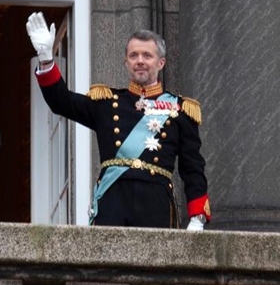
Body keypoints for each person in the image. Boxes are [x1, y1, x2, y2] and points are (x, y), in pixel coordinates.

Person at [26, 12, 210, 230]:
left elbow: (192, 167)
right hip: (113, 199)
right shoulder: (105, 102)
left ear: (161, 63)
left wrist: (197, 216)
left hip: (156, 204)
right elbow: (61, 102)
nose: (139, 61)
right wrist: (47, 59)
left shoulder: (180, 110)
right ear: (126, 62)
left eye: (146, 55)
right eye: (133, 56)